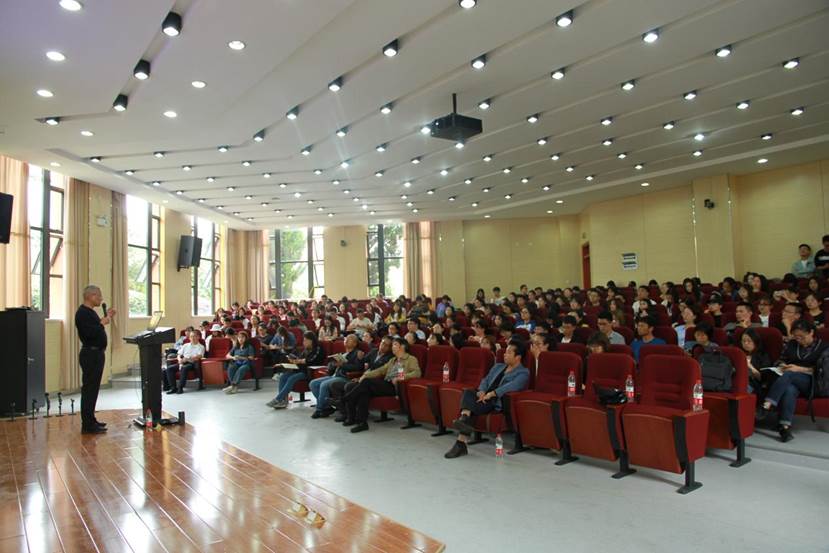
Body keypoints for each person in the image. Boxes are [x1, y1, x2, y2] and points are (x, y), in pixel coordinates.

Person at [444, 341, 530, 459]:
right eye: (505, 352)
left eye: (509, 353)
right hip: (484, 397)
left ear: (518, 357)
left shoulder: (523, 372)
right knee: (468, 392)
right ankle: (463, 427)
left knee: (471, 406)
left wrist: (492, 394)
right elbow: (485, 379)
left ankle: (462, 429)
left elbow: (512, 386)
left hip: (496, 402)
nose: (504, 354)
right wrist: (481, 391)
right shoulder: (498, 366)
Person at [760, 320, 829, 442]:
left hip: (815, 383)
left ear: (811, 332)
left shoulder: (824, 347)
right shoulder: (792, 344)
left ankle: (767, 405)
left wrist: (800, 369)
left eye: (802, 337)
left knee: (790, 375)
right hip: (791, 380)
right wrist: (782, 365)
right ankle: (784, 428)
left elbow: (824, 371)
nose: (799, 340)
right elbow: (780, 359)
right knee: (789, 389)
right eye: (796, 337)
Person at [341, 337, 421, 433]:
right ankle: (361, 423)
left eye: (395, 345)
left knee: (366, 382)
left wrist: (401, 377)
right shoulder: (393, 360)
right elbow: (380, 370)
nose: (392, 347)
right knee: (363, 392)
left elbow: (417, 373)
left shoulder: (410, 359)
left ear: (403, 347)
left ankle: (345, 399)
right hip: (385, 384)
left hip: (395, 387)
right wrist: (365, 375)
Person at [74, 285, 115, 434]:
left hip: (96, 354)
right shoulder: (82, 313)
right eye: (98, 296)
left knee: (93, 389)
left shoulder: (90, 312)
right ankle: (87, 425)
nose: (101, 299)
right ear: (91, 296)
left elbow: (96, 329)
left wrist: (106, 317)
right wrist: (102, 323)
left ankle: (91, 420)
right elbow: (90, 333)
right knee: (89, 390)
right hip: (90, 355)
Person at [331, 337, 394, 422]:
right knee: (336, 385)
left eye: (387, 345)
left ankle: (346, 406)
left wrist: (400, 378)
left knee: (350, 386)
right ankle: (348, 415)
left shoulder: (395, 358)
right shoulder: (375, 352)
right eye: (383, 343)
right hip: (367, 379)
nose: (383, 346)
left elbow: (412, 373)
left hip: (381, 383)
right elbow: (366, 365)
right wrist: (360, 359)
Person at [308, 334, 363, 418]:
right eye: (345, 339)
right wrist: (333, 364)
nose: (346, 341)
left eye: (349, 339)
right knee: (313, 383)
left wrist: (342, 365)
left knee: (324, 385)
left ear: (355, 343)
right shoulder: (343, 354)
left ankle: (319, 409)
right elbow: (332, 367)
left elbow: (358, 367)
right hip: (334, 375)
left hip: (345, 377)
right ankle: (327, 407)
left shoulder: (357, 353)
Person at [270, 332, 326, 408]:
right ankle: (283, 401)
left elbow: (312, 360)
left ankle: (278, 399)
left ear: (311, 340)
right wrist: (293, 361)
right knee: (283, 377)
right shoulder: (306, 349)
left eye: (305, 340)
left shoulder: (318, 348)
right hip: (300, 369)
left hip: (309, 371)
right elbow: (300, 359)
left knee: (292, 378)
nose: (304, 342)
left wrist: (299, 361)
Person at [165, 330, 204, 394]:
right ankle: (173, 388)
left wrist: (187, 359)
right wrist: (179, 359)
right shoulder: (185, 345)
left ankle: (180, 388)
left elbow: (199, 356)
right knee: (169, 368)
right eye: (191, 336)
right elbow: (178, 354)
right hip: (182, 361)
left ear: (198, 337)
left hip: (192, 364)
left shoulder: (201, 347)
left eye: (194, 336)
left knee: (184, 367)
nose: (192, 338)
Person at [740, 328, 773, 400]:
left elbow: (762, 378)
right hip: (737, 380)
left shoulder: (763, 356)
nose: (746, 343)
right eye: (743, 341)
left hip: (753, 384)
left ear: (755, 341)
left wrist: (750, 366)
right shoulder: (739, 354)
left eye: (749, 341)